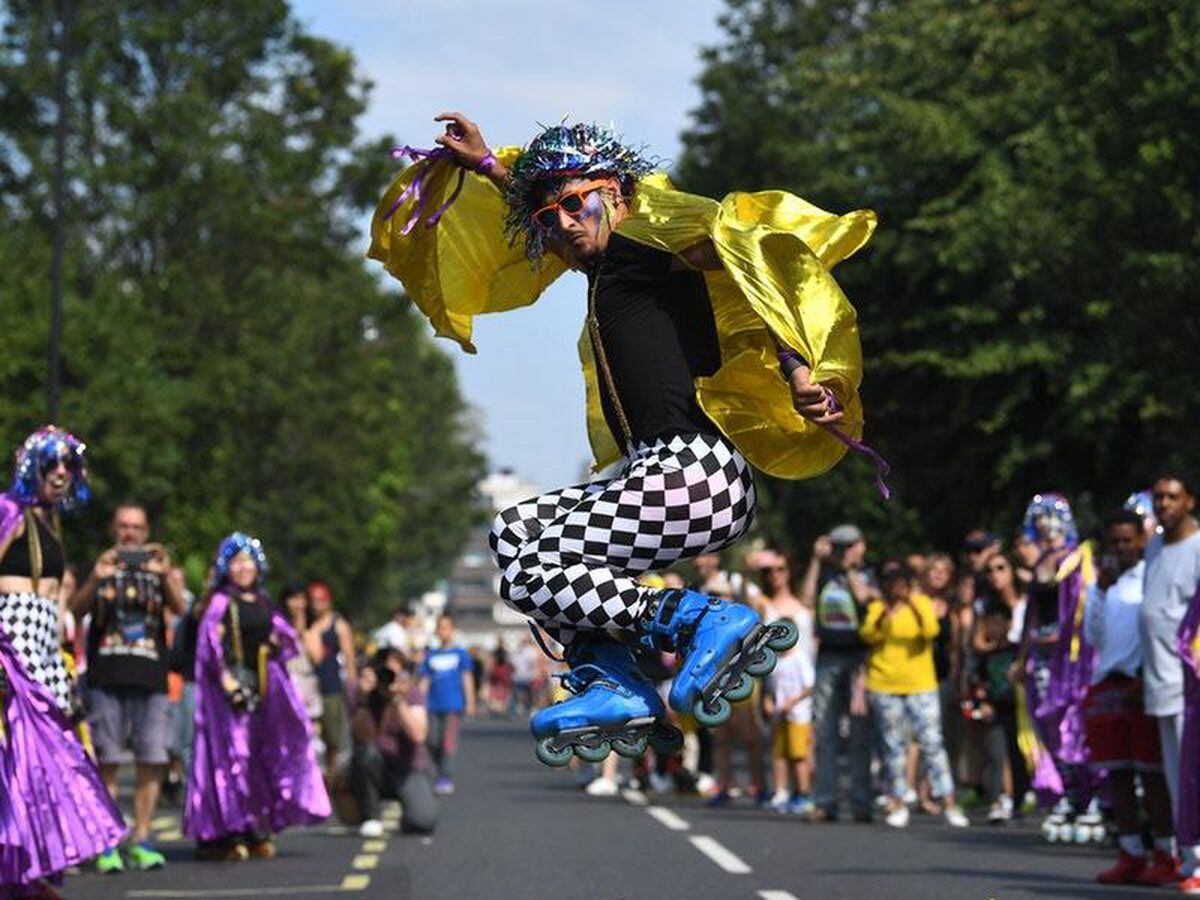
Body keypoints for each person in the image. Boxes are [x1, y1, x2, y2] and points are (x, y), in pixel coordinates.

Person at [370, 112, 871, 764]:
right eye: (551, 218)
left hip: (695, 474)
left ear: (619, 194)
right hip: (657, 474)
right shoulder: (606, 270)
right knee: (513, 534)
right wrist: (489, 165)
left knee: (530, 571)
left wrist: (799, 366)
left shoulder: (645, 245)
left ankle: (702, 620)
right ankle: (618, 679)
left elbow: (751, 251)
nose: (566, 227)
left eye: (578, 206)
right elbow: (550, 212)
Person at [0, 426, 126, 897]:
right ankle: (20, 873)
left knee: (48, 762)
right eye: (51, 463)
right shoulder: (9, 510)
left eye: (68, 465)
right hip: (12, 642)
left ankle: (33, 869)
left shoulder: (48, 521)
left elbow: (57, 602)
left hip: (44, 647)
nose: (60, 473)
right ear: (30, 466)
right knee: (21, 762)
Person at [183, 533, 330, 861]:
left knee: (258, 760)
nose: (243, 567)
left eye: (248, 561)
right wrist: (227, 682)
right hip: (230, 695)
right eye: (236, 561)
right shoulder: (221, 602)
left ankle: (253, 828)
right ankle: (225, 830)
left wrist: (279, 643)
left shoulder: (263, 602)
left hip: (262, 694)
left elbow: (288, 638)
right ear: (226, 567)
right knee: (233, 758)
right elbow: (209, 648)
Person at [70, 503, 186, 873]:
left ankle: (143, 836)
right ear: (113, 530)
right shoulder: (102, 568)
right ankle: (107, 840)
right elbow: (75, 610)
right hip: (107, 676)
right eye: (123, 527)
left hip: (151, 677)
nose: (130, 534)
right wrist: (96, 578)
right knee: (106, 759)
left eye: (136, 527)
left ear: (147, 531)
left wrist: (165, 574)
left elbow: (181, 608)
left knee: (151, 759)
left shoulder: (157, 571)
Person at [1082, 509, 1177, 885]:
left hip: (1142, 684)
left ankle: (1167, 853)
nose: (1121, 548)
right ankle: (1131, 852)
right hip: (1108, 684)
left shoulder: (1152, 577)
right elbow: (1093, 637)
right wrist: (1102, 592)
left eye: (1128, 540)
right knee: (1118, 774)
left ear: (1142, 539)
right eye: (1114, 541)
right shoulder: (1103, 585)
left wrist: (1146, 673)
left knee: (1152, 776)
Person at [861, 561, 968, 829]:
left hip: (920, 684)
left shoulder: (920, 603)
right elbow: (868, 635)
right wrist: (886, 613)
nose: (897, 588)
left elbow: (931, 631)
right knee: (893, 746)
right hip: (885, 684)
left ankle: (949, 802)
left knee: (932, 742)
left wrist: (911, 604)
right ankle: (897, 801)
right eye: (892, 584)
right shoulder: (877, 608)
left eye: (902, 583)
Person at [1140, 473, 1200, 887]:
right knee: (1174, 776)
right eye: (1158, 497)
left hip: (1190, 682)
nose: (1163, 504)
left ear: (1190, 501)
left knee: (1194, 774)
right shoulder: (1155, 546)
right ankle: (1187, 858)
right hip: (1157, 679)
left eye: (1172, 497)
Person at [801, 525, 877, 822]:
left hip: (859, 657)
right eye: (839, 547)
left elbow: (864, 600)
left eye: (849, 546)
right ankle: (825, 799)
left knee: (859, 732)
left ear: (861, 546)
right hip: (829, 656)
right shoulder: (824, 573)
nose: (843, 552)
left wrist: (850, 570)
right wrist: (817, 560)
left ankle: (860, 801)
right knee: (825, 731)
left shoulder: (870, 573)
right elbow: (806, 600)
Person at [351, 648, 437, 837]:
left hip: (408, 769)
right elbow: (363, 738)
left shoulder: (412, 694)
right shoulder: (365, 694)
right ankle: (370, 815)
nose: (389, 678)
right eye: (384, 672)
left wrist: (398, 700)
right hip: (378, 769)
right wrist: (363, 700)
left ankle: (408, 814)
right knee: (366, 754)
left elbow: (418, 735)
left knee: (423, 821)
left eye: (394, 672)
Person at [970, 554, 1028, 824]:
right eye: (990, 571)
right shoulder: (985, 608)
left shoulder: (1028, 603)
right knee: (997, 745)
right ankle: (1000, 798)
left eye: (1001, 568)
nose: (996, 575)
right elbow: (979, 644)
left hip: (1025, 684)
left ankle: (1022, 797)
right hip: (995, 680)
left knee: (1023, 745)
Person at [419, 614, 476, 795]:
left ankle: (445, 776)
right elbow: (424, 680)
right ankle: (438, 770)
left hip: (453, 705)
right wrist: (419, 701)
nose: (443, 631)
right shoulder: (430, 655)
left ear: (452, 630)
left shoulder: (460, 654)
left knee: (448, 742)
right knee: (432, 741)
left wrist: (470, 701)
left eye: (446, 627)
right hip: (432, 705)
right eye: (440, 627)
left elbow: (467, 678)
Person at [763, 618, 815, 815]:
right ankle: (782, 792)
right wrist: (768, 701)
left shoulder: (799, 658)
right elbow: (770, 685)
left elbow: (809, 686)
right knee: (779, 755)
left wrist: (792, 702)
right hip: (779, 714)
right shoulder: (775, 660)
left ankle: (804, 793)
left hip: (798, 715)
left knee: (799, 755)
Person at [307, 580, 356, 775]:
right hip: (309, 688)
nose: (316, 604)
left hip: (331, 686)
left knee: (332, 737)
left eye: (320, 600)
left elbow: (350, 658)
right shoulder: (308, 625)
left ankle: (333, 776)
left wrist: (353, 688)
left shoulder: (338, 625)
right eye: (313, 600)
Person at [281, 582, 324, 745]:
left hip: (307, 686)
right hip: (286, 686)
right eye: (293, 599)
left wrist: (302, 631)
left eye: (301, 599)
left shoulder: (313, 629)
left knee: (311, 736)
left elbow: (316, 658)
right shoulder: (279, 627)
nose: (297, 604)